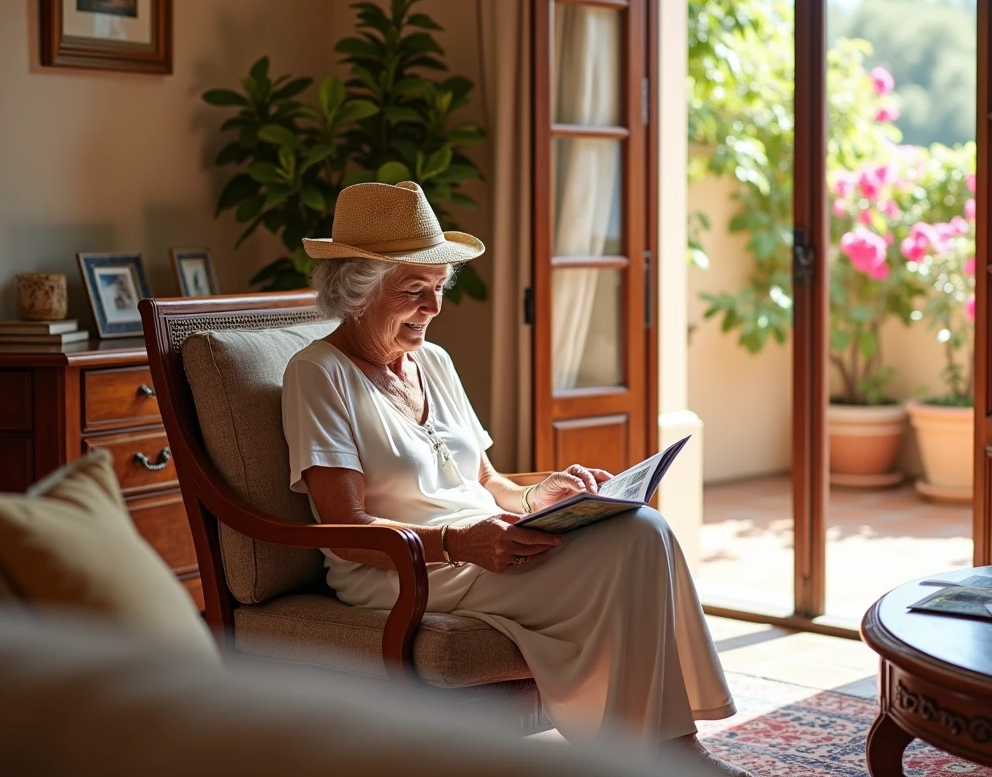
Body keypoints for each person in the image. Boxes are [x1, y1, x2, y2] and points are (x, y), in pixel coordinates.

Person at [282, 181, 752, 776]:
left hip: (481, 542)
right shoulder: (318, 374)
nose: (434, 308)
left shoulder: (436, 362)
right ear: (356, 294)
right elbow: (345, 531)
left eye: (437, 288)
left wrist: (539, 495)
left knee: (642, 528)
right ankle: (662, 752)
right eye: (413, 291)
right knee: (635, 544)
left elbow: (484, 478)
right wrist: (459, 544)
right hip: (400, 568)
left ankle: (659, 748)